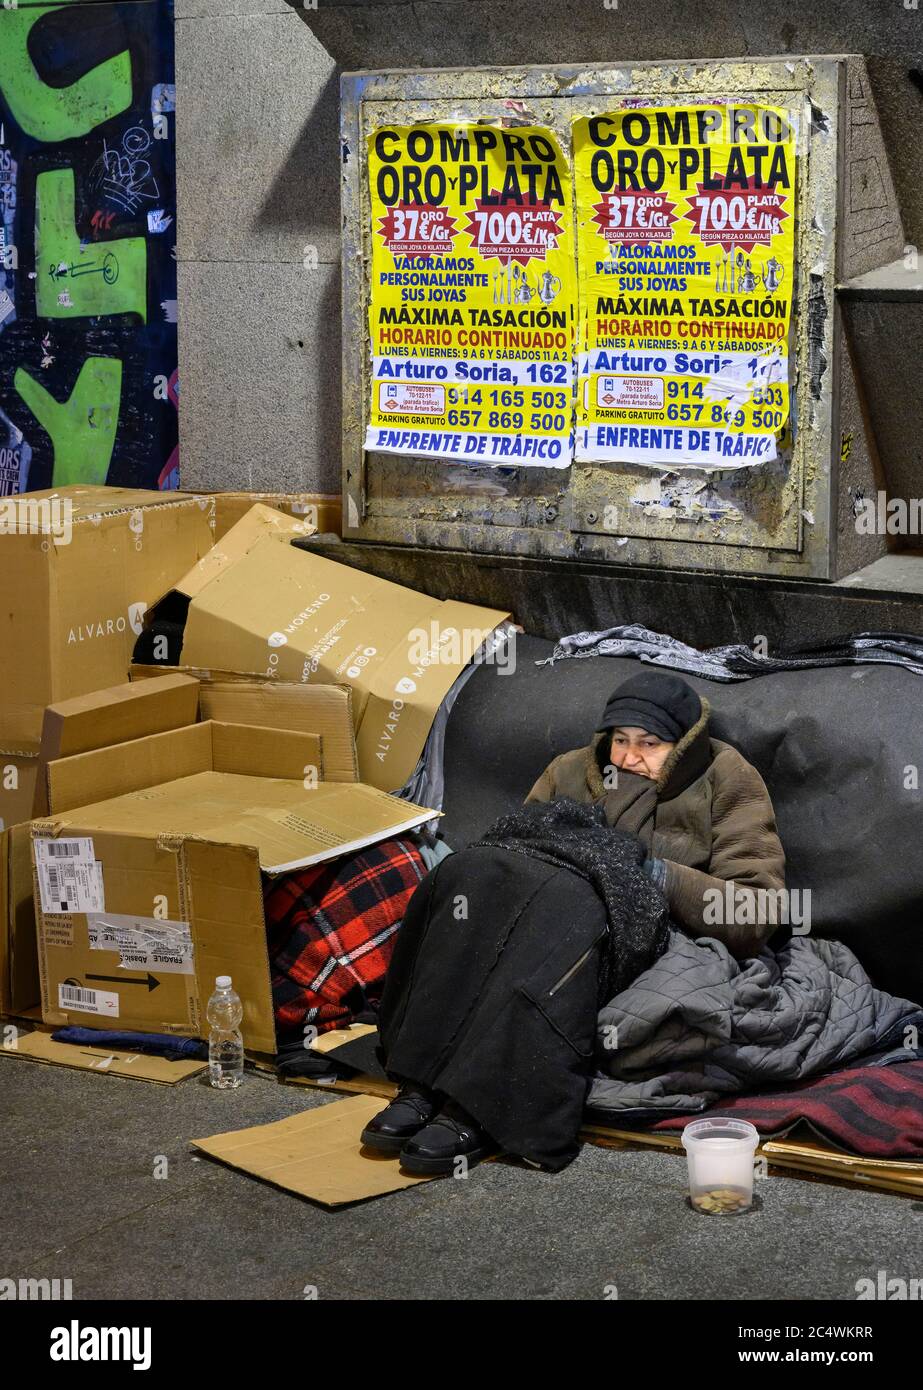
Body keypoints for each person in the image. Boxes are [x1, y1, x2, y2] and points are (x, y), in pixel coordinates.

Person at [362, 670, 786, 1173]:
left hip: (647, 933)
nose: (628, 758)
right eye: (620, 742)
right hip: (547, 913)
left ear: (684, 745)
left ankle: (485, 1107)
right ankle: (423, 1079)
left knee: (562, 917)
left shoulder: (724, 775)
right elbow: (519, 851)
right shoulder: (571, 770)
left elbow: (757, 911)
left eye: (650, 744)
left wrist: (656, 874)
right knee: (473, 873)